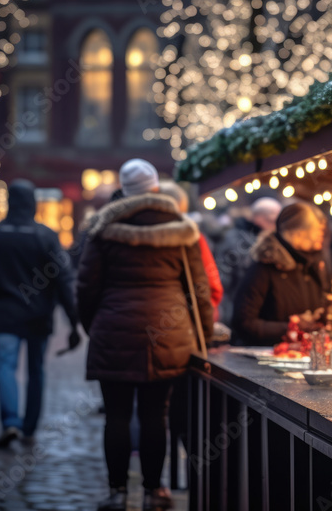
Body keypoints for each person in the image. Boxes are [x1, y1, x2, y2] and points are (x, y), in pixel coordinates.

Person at [77, 159, 213, 511]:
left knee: (117, 415)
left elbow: (86, 287)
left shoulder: (104, 227)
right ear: (155, 187)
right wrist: (205, 335)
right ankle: (155, 490)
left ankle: (118, 491)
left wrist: (95, 326)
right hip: (168, 333)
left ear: (122, 189)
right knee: (158, 414)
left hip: (114, 330)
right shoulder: (182, 229)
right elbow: (198, 289)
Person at [0, 180, 81, 449]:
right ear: (32, 203)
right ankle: (29, 428)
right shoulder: (45, 236)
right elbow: (63, 279)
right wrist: (73, 321)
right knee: (36, 370)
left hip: (4, 314)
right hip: (38, 315)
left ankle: (10, 421)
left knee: (6, 367)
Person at [231, 202, 329, 346]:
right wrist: (291, 326)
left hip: (302, 355)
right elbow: (244, 323)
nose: (321, 235)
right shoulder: (264, 267)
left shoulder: (312, 264)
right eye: (317, 230)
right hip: (264, 357)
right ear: (300, 232)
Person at [158, 180, 223, 319]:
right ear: (181, 205)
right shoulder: (192, 237)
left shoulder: (133, 235)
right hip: (183, 320)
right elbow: (212, 286)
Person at [215, 196, 281, 325]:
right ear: (260, 218)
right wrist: (227, 317)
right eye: (272, 222)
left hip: (252, 311)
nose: (274, 227)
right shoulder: (236, 240)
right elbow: (224, 280)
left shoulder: (257, 238)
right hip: (236, 312)